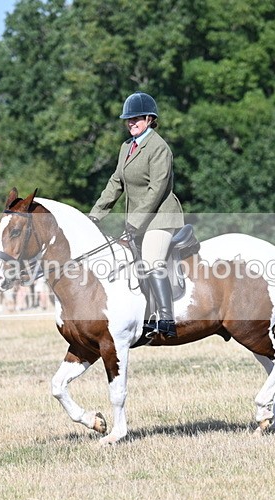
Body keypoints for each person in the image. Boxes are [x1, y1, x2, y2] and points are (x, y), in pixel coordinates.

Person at [88, 91, 184, 338]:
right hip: (138, 220)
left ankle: (165, 319)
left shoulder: (159, 148)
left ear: (150, 119)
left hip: (161, 217)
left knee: (152, 261)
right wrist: (95, 215)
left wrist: (134, 223)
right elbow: (115, 182)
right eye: (128, 119)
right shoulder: (126, 147)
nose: (131, 123)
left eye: (137, 119)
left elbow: (156, 190)